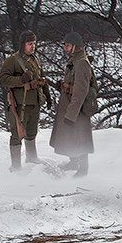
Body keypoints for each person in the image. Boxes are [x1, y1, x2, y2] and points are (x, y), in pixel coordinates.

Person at [0, 30, 51, 171]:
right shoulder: (13, 60)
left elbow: (42, 78)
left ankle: (31, 158)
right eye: (29, 44)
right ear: (23, 44)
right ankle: (15, 166)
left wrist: (47, 96)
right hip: (20, 104)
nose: (32, 46)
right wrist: (21, 79)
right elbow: (3, 79)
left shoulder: (35, 58)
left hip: (35, 102)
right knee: (17, 134)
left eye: (34, 43)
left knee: (32, 132)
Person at [49, 32, 96, 177]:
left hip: (77, 107)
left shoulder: (81, 63)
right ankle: (74, 162)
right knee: (71, 135)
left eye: (68, 45)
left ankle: (83, 168)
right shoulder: (74, 60)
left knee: (80, 136)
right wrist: (63, 86)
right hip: (71, 104)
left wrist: (71, 114)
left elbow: (81, 91)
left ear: (76, 46)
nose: (65, 48)